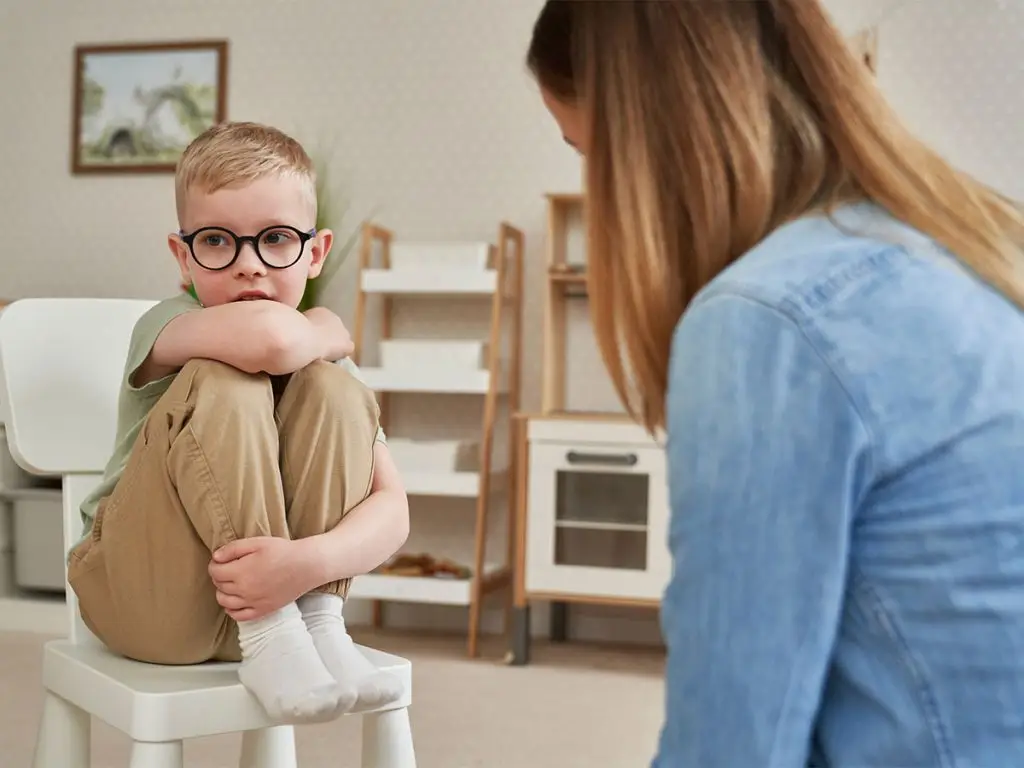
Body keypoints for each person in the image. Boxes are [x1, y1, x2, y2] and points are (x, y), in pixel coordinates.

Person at [527, 2, 1024, 766]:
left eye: (588, 153)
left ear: (646, 139)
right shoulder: (979, 246)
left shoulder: (767, 322)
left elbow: (732, 745)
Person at [69, 121, 409, 724]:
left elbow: (394, 512)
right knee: (226, 375)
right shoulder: (170, 325)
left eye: (276, 239)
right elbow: (271, 341)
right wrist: (330, 326)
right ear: (182, 256)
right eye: (218, 242)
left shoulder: (322, 361)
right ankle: (274, 634)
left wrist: (312, 565)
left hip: (279, 597)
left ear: (316, 251)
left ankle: (316, 623)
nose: (249, 267)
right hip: (144, 595)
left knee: (331, 388)